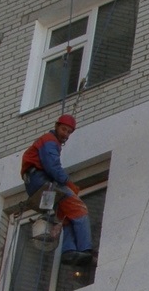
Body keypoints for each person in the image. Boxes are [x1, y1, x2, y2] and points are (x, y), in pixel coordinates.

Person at [21, 114, 94, 267]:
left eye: (68, 132)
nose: (65, 134)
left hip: (36, 182)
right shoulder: (49, 141)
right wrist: (68, 183)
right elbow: (52, 167)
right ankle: (86, 250)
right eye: (63, 129)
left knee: (66, 215)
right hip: (41, 180)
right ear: (56, 126)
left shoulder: (50, 142)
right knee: (79, 209)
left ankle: (68, 251)